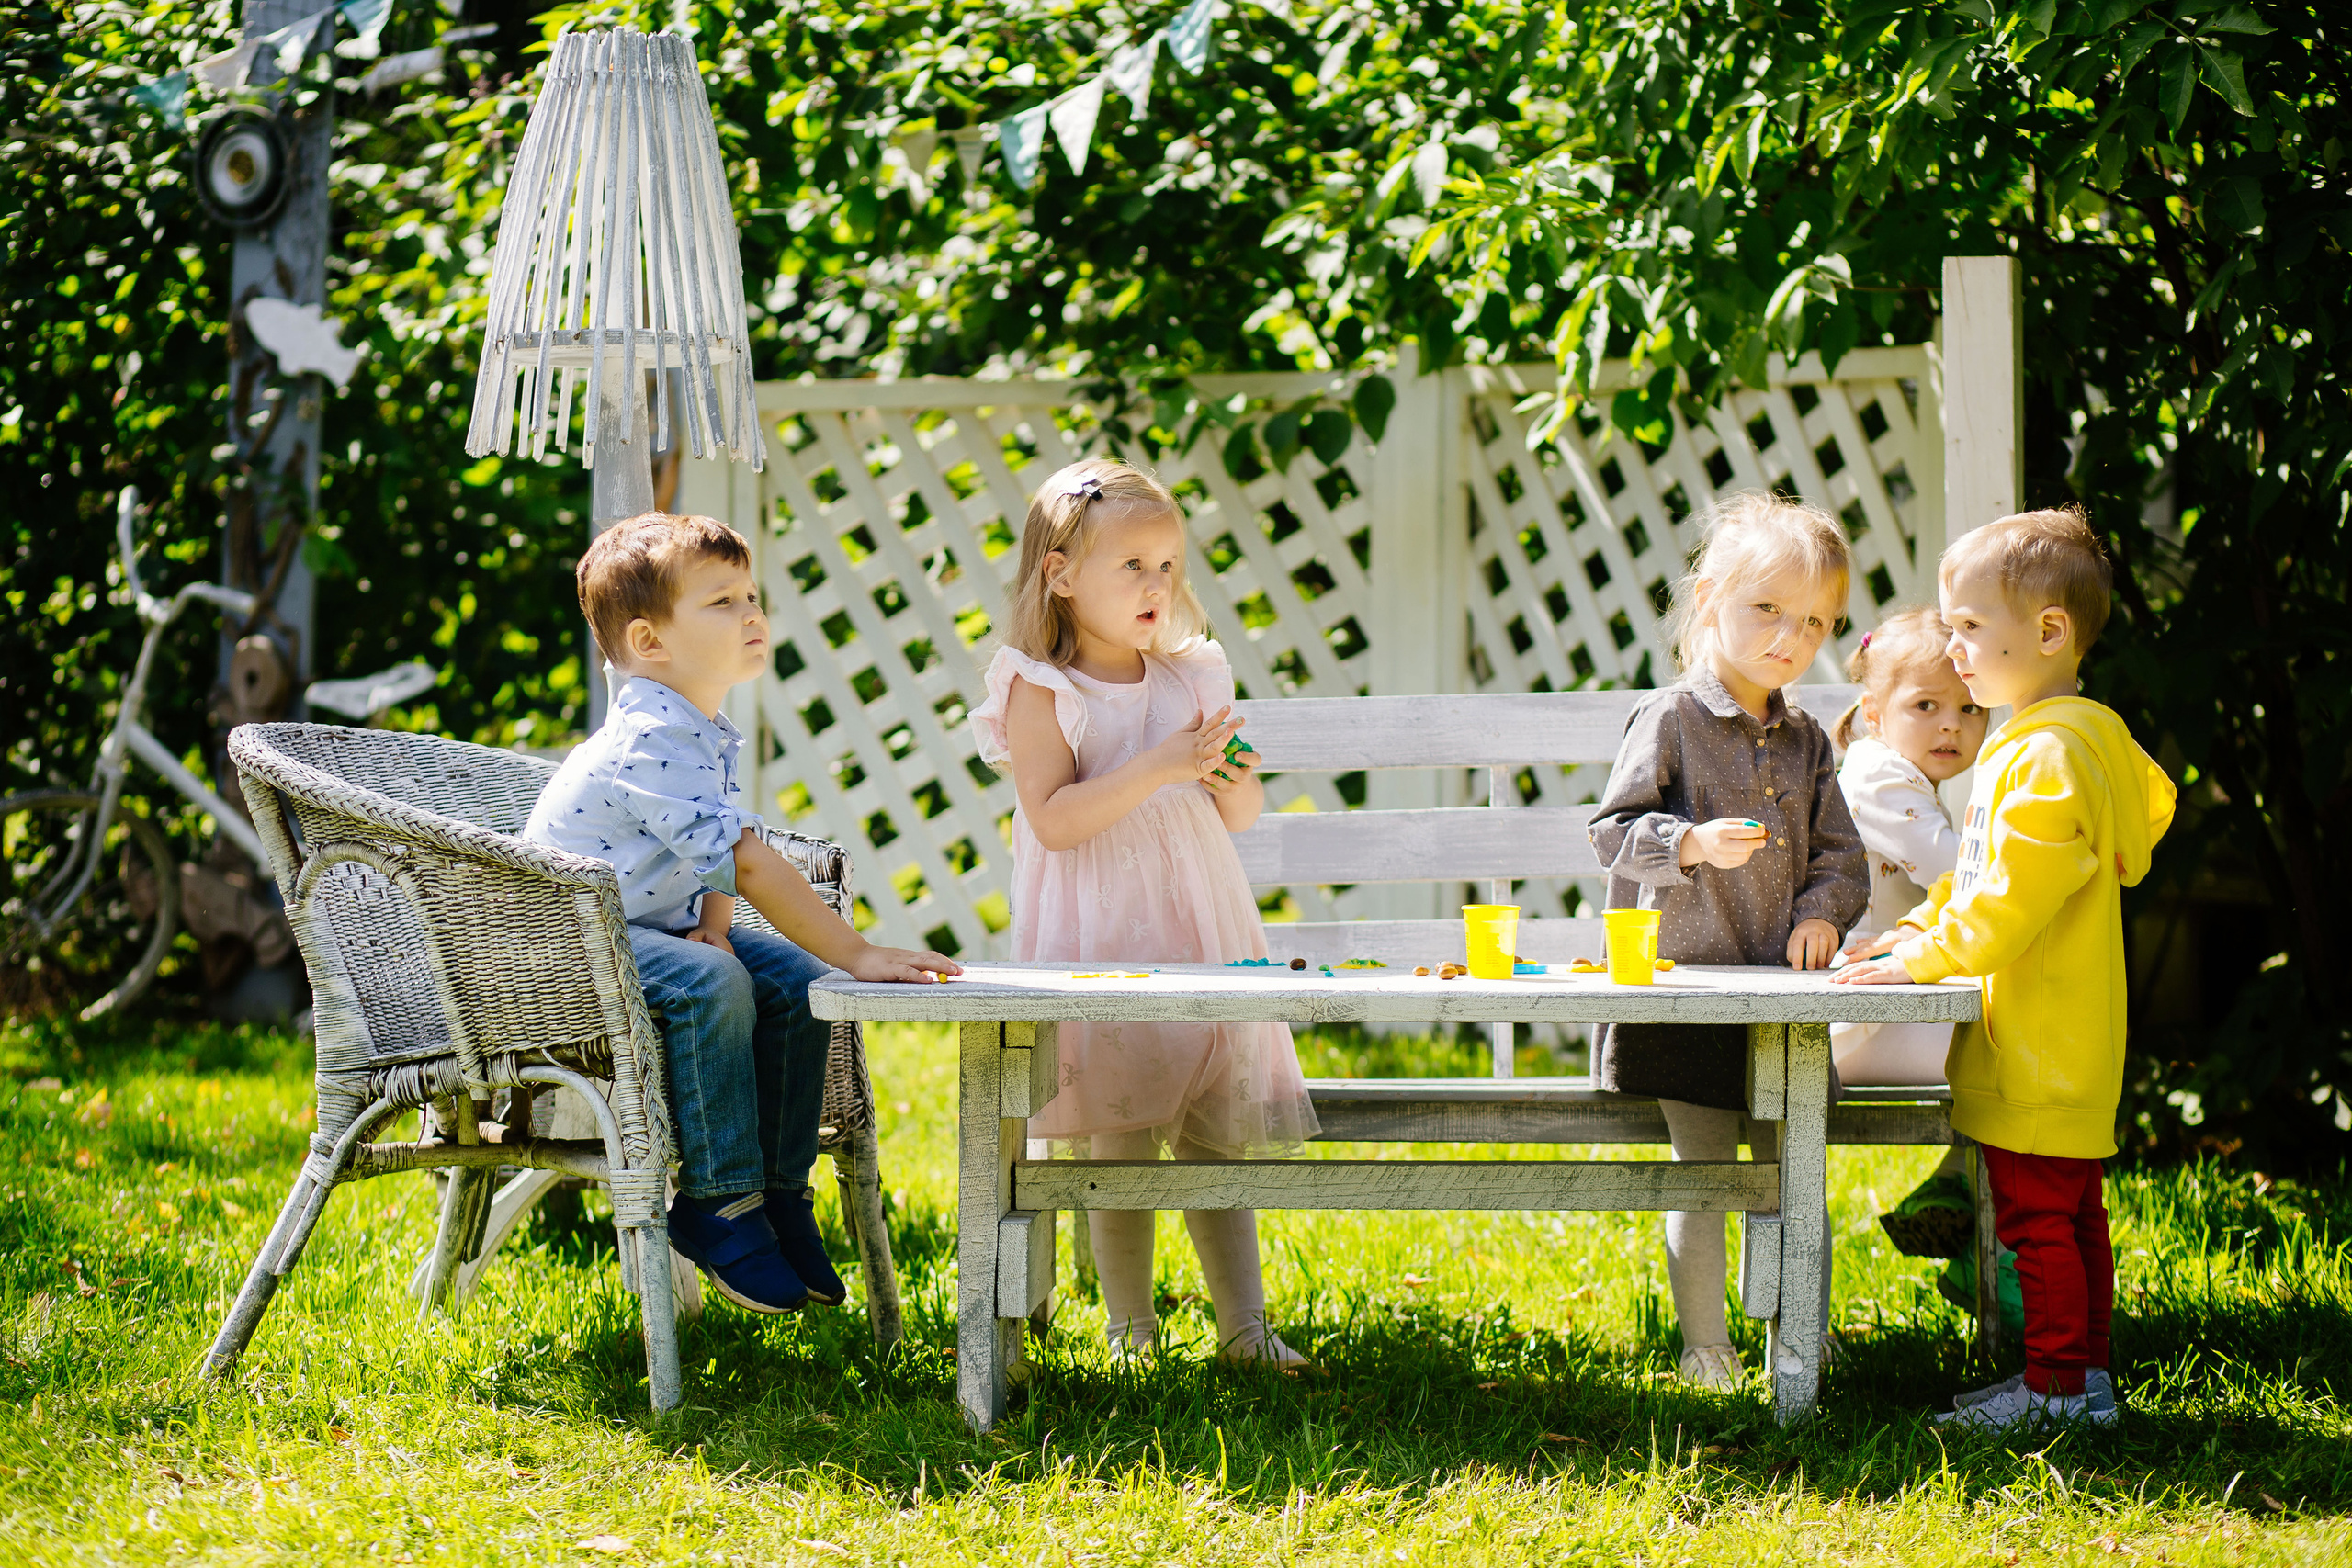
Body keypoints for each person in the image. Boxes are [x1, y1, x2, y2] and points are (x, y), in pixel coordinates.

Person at [525, 512, 959, 1315]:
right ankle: (717, 1200)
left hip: (643, 934)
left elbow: (717, 846)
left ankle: (777, 1190)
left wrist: (719, 924)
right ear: (651, 641)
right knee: (717, 980)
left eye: (751, 595)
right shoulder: (650, 732)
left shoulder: (701, 728)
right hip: (570, 949)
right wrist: (859, 951)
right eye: (722, 602)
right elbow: (750, 856)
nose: (754, 614)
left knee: (797, 982)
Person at [969, 457, 1316, 1365]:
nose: (1156, 584)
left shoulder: (1192, 676)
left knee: (1215, 1130)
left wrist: (1229, 778)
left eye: (1167, 564)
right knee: (1121, 1130)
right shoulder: (1046, 691)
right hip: (1102, 937)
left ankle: (1244, 1326)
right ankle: (1131, 1331)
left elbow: (1233, 816)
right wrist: (1160, 767)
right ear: (1061, 576)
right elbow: (1052, 821)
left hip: (1197, 926)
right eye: (1132, 566)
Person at [1838, 507, 2175, 1431]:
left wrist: (1929, 958)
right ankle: (2084, 1383)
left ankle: (2054, 1392)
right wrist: (1910, 941)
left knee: (2034, 1223)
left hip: (2034, 1037)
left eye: (1969, 630)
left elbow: (2006, 904)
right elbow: (1984, 878)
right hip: (2073, 1033)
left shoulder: (2043, 756)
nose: (1953, 653)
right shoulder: (2081, 736)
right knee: (2074, 1218)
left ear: (2048, 632)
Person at [1588, 491, 1869, 1391]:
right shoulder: (1669, 719)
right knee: (1702, 1172)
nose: (1790, 636)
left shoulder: (1808, 741)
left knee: (1791, 1171)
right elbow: (1612, 829)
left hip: (1780, 1004)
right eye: (1767, 609)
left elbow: (1839, 852)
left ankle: (1798, 1328)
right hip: (1684, 991)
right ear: (1708, 599)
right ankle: (1704, 1343)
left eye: (1814, 621)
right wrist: (1687, 843)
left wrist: (1823, 912)